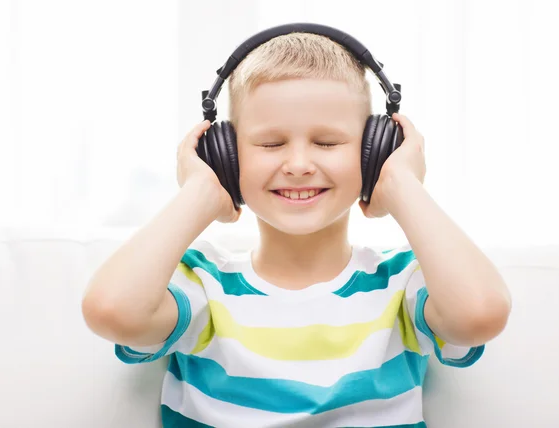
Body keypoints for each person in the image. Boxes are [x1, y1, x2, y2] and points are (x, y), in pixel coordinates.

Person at [82, 24, 512, 428]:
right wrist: (200, 193)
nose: (300, 165)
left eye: (327, 143)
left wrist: (401, 185)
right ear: (226, 156)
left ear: (373, 153)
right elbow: (112, 311)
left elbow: (479, 314)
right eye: (271, 144)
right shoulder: (205, 289)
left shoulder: (400, 286)